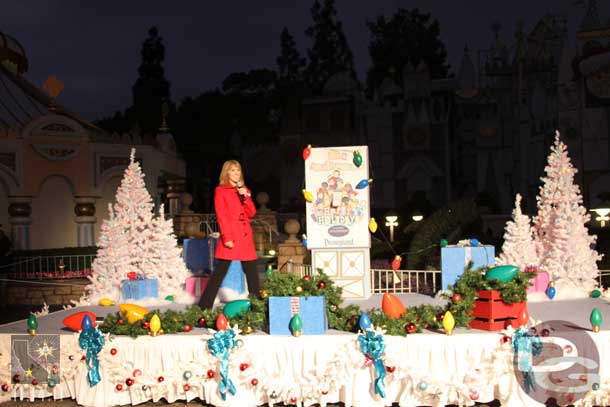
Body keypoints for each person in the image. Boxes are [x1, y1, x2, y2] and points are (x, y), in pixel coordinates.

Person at [199, 160, 260, 309]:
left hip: (245, 237)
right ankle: (204, 307)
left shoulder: (244, 190)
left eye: (238, 170)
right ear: (226, 172)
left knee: (252, 274)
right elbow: (222, 215)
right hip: (231, 236)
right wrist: (227, 237)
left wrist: (245, 197)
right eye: (232, 170)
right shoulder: (220, 190)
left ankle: (258, 307)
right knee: (219, 273)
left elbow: (251, 212)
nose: (236, 173)